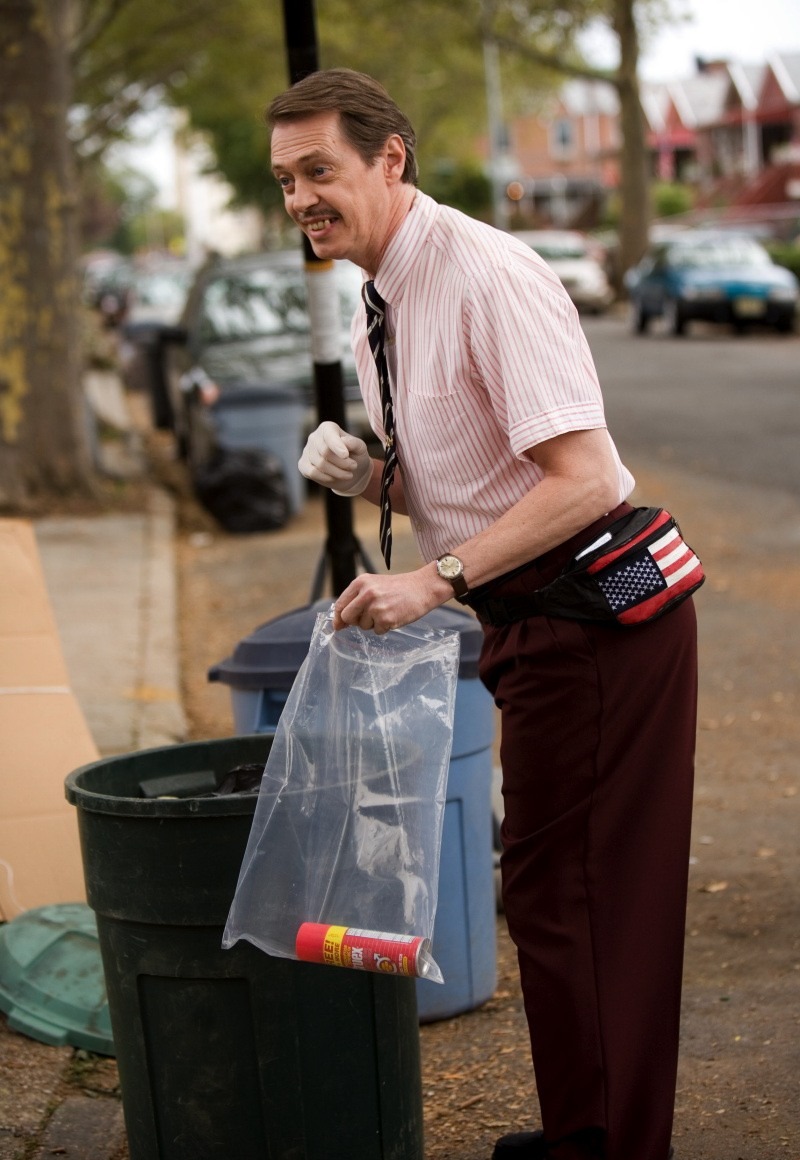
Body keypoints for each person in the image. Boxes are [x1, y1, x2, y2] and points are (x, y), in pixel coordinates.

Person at [269, 68, 698, 1160]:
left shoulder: (479, 272)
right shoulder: (384, 293)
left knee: (577, 901)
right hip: (529, 621)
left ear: (389, 158)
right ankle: (589, 1128)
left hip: (594, 619)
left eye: (320, 170)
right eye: (284, 180)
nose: (301, 199)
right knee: (559, 897)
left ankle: (603, 1139)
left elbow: (584, 477)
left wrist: (433, 579)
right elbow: (481, 478)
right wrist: (370, 479)